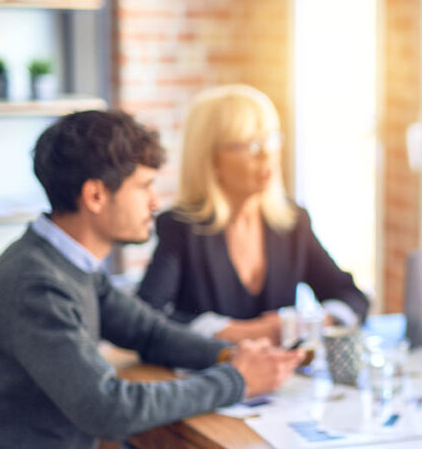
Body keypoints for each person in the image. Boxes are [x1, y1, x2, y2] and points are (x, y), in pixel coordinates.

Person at [0, 110, 304, 449]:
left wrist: (229, 358)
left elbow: (146, 330)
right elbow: (109, 409)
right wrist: (237, 380)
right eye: (144, 187)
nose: (155, 203)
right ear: (96, 195)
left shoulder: (65, 262)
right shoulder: (37, 285)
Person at [138, 84, 370, 343]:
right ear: (212, 158)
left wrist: (312, 322)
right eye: (251, 144)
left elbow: (351, 296)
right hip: (212, 376)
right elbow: (144, 317)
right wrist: (238, 332)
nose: (267, 155)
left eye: (271, 139)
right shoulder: (180, 227)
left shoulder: (292, 222)